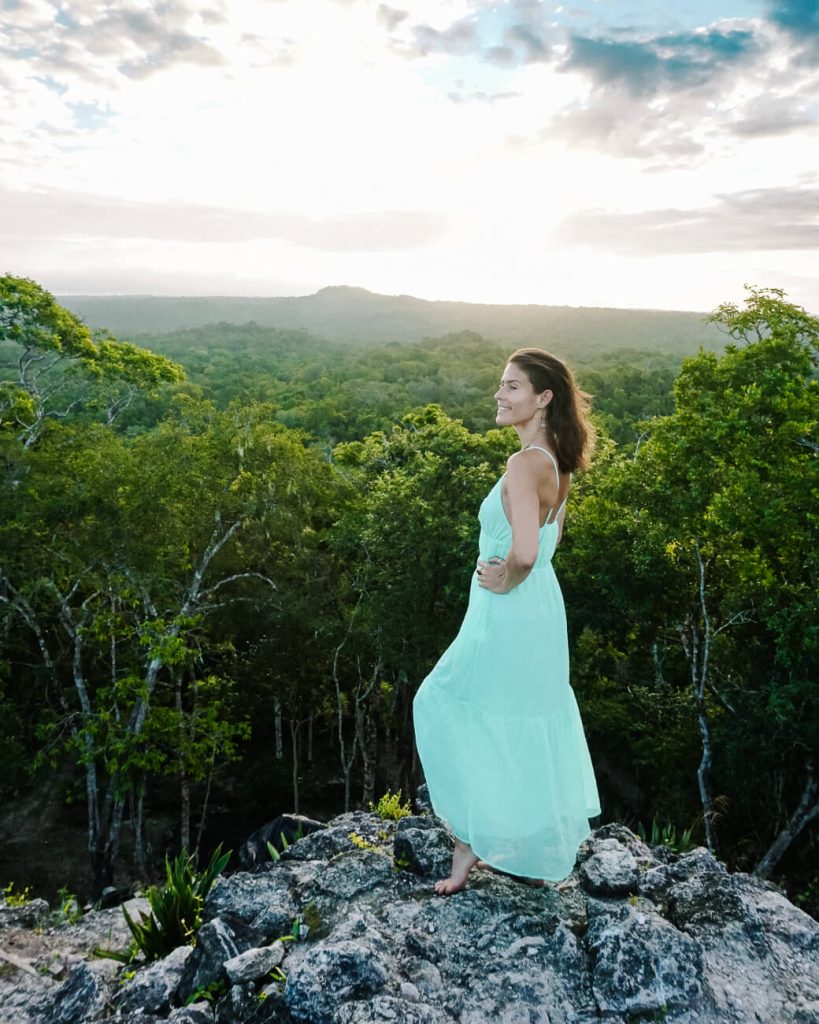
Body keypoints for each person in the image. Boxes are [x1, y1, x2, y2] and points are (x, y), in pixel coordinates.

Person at [413, 347, 601, 895]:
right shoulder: (556, 462)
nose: (500, 394)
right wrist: (523, 571)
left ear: (543, 398)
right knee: (510, 713)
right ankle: (485, 845)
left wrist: (505, 578)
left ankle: (472, 844)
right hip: (540, 608)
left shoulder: (525, 465)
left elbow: (523, 551)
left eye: (512, 387)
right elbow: (551, 540)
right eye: (502, 385)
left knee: (446, 700)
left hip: (509, 609)